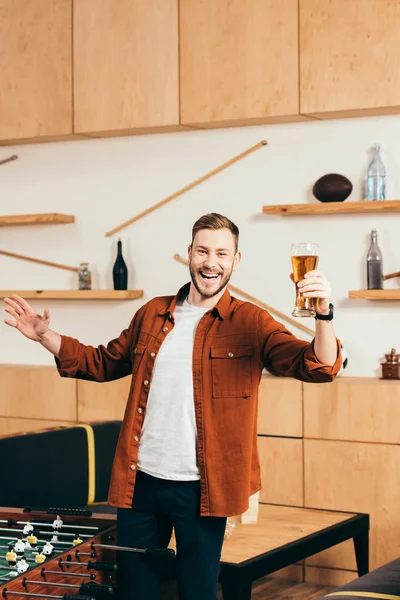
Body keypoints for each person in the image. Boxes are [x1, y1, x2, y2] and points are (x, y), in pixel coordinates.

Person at [3, 213, 341, 600]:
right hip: (140, 481)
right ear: (189, 254)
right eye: (202, 251)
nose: (210, 262)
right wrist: (45, 335)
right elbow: (100, 362)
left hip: (202, 488)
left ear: (236, 260)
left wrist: (323, 315)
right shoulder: (153, 312)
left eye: (221, 253)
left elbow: (319, 367)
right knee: (135, 591)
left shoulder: (251, 322)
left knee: (197, 592)